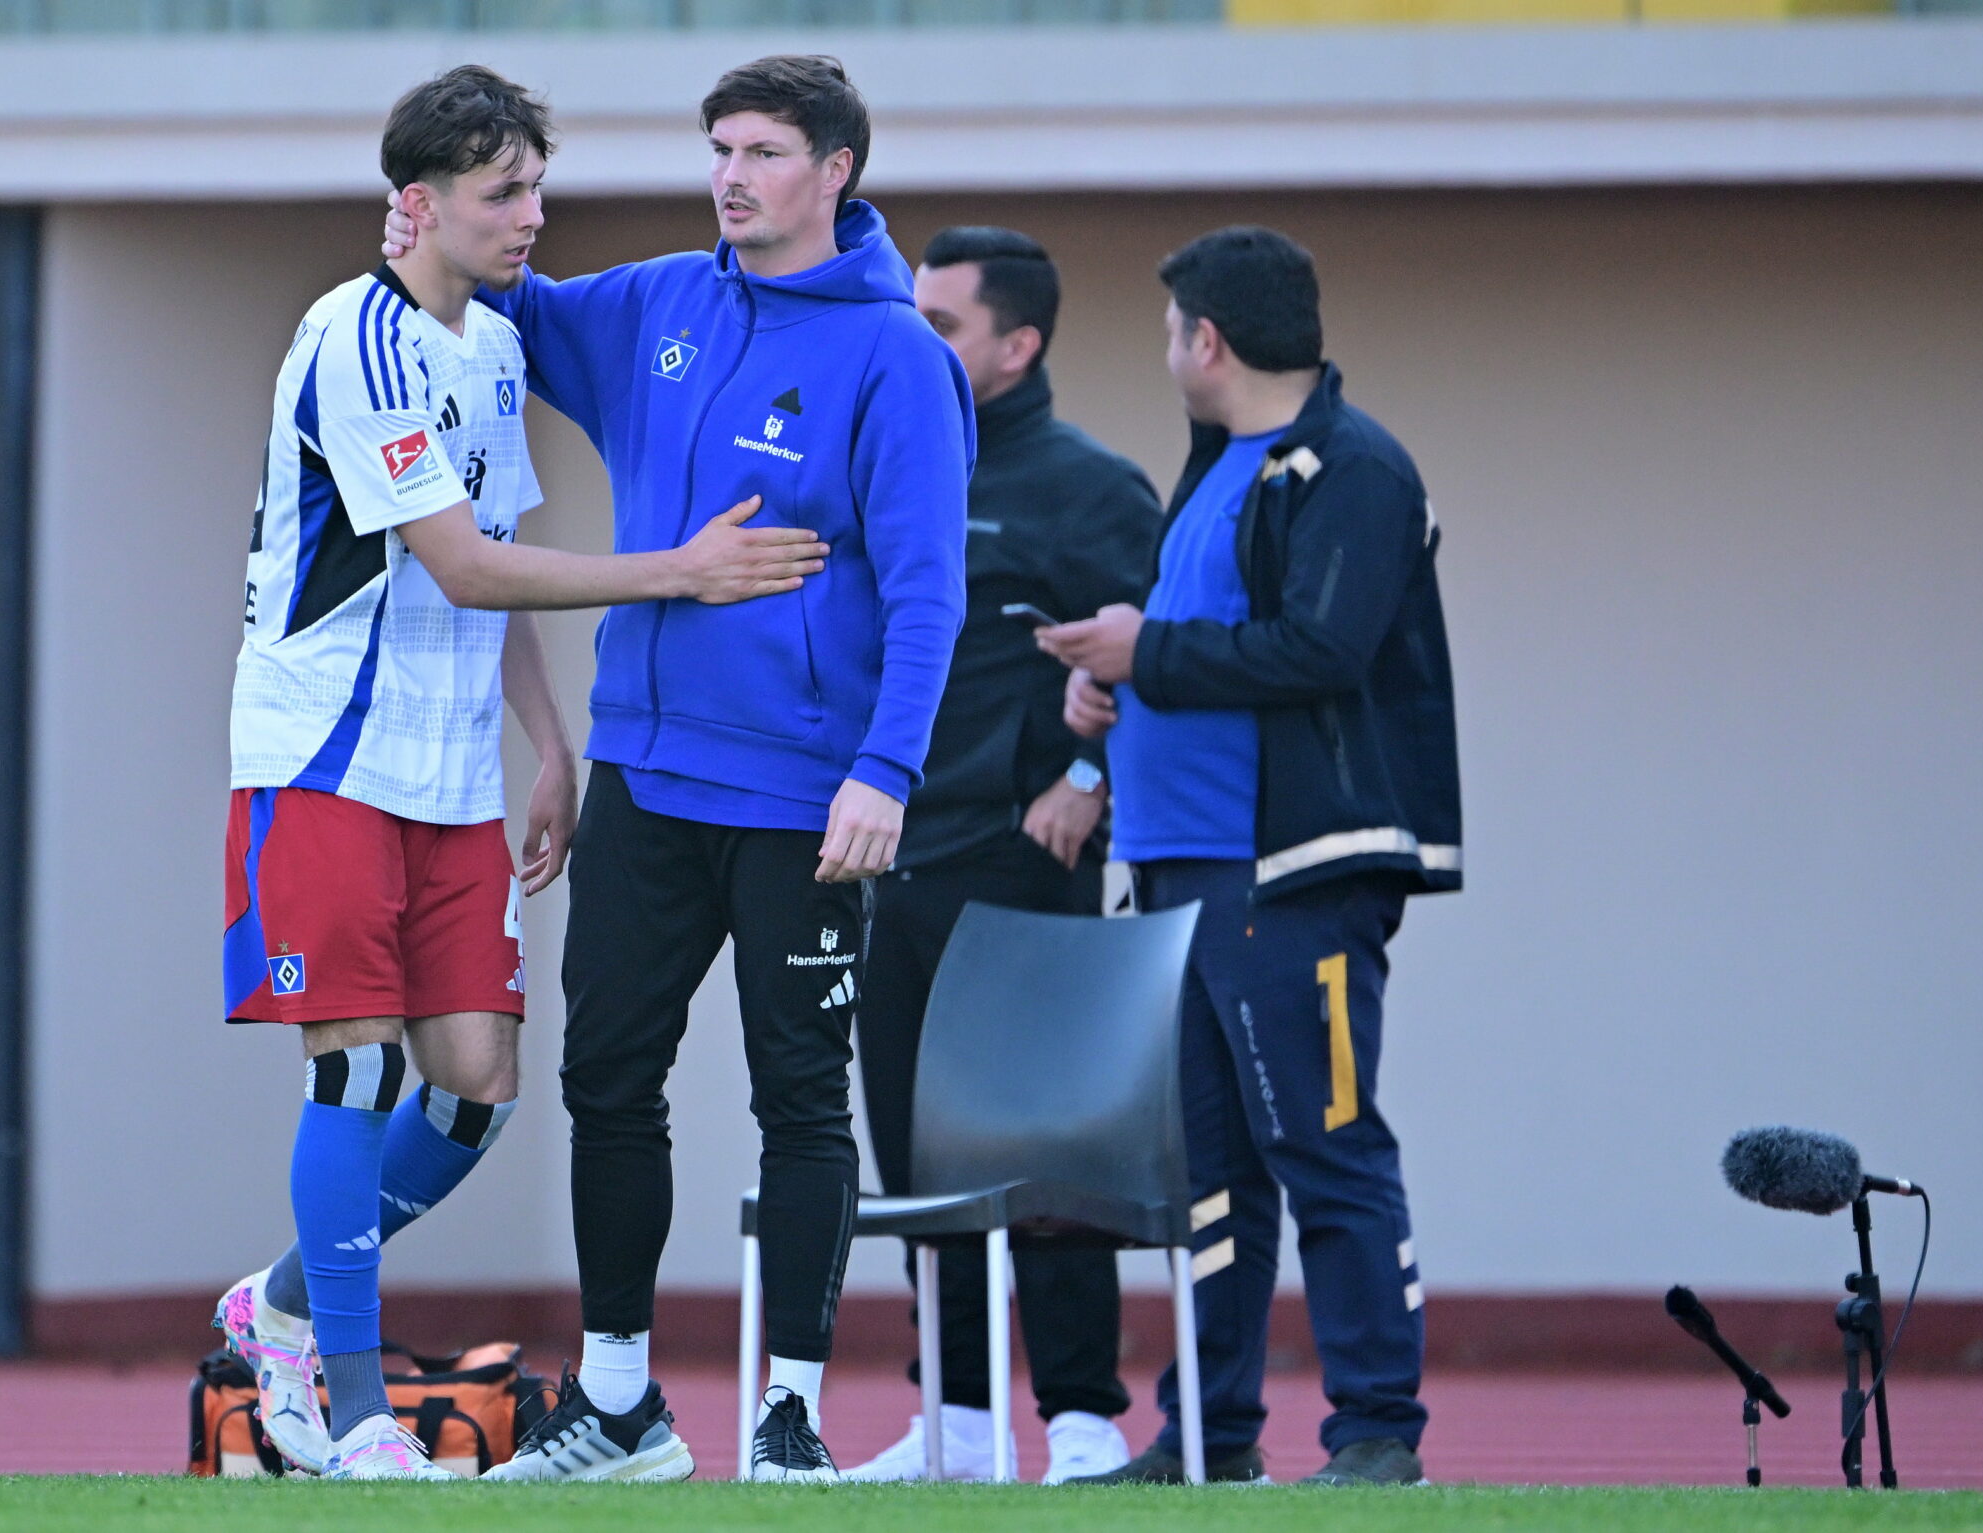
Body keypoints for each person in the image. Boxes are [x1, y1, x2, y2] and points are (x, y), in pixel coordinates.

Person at [212, 66, 830, 1482]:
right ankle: (354, 1412)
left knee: (477, 1088)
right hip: (322, 756)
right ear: (415, 205)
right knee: (358, 1068)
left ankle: (281, 1307)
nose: (534, 217)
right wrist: (680, 573)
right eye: (507, 193)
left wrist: (555, 747)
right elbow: (466, 561)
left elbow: (487, 586)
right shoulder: (350, 336)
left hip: (448, 772)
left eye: (539, 188)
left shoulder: (491, 350)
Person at [382, 54, 972, 1483]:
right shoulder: (654, 301)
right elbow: (496, 290)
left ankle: (788, 1411)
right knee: (607, 1077)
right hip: (646, 775)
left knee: (800, 1100)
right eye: (720, 147)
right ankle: (624, 1401)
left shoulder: (897, 356)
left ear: (834, 171)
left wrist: (883, 771)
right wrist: (420, 221)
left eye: (764, 150)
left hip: (803, 796)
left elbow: (930, 589)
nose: (732, 174)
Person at [1040, 226, 1462, 1487]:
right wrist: (1109, 703)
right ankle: (1207, 1441)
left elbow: (1317, 651)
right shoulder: (1221, 467)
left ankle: (1376, 1432)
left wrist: (1144, 655)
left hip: (1291, 874)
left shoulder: (1353, 468)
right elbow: (1198, 652)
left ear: (1205, 339)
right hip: (1179, 877)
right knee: (1209, 1175)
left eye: (1172, 329)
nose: (1167, 349)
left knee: (1324, 1142)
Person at [841, 226, 1159, 1485]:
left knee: (1048, 1153)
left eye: (944, 326)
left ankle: (1082, 1419)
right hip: (890, 871)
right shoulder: (885, 464)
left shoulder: (1093, 490)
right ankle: (958, 1428)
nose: (914, 341)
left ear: (1018, 347)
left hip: (1026, 875)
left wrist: (1087, 780)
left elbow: (1162, 669)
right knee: (917, 1158)